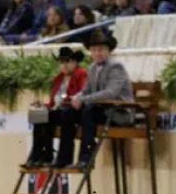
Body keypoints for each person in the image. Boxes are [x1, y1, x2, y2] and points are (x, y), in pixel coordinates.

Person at [55, 30, 133, 168]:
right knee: (67, 113)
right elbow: (86, 90)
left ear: (108, 50)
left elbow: (111, 92)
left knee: (88, 112)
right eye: (94, 50)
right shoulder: (92, 68)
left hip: (117, 112)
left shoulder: (115, 67)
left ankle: (86, 159)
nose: (97, 53)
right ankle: (63, 159)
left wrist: (84, 99)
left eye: (101, 50)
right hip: (100, 110)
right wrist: (76, 98)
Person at [24, 47, 88, 166]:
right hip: (58, 110)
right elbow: (54, 103)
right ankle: (39, 155)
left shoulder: (80, 74)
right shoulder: (58, 78)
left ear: (75, 62)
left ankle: (61, 158)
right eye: (62, 62)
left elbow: (83, 94)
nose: (64, 65)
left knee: (62, 114)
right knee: (38, 113)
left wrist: (67, 100)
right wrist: (43, 105)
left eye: (67, 62)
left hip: (73, 111)